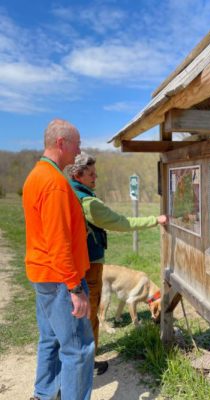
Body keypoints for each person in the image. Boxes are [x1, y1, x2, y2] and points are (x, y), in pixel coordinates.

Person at [67, 152, 167, 373]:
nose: (96, 177)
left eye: (95, 173)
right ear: (78, 174)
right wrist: (155, 220)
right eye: (91, 174)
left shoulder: (69, 192)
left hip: (72, 264)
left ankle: (74, 360)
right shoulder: (88, 202)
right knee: (90, 314)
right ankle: (88, 362)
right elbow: (120, 222)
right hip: (90, 264)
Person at [23, 120, 95, 400]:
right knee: (78, 349)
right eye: (77, 143)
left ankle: (43, 394)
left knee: (50, 339)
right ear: (62, 143)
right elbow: (58, 241)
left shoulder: (37, 175)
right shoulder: (53, 183)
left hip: (44, 276)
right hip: (60, 279)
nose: (80, 149)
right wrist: (75, 288)